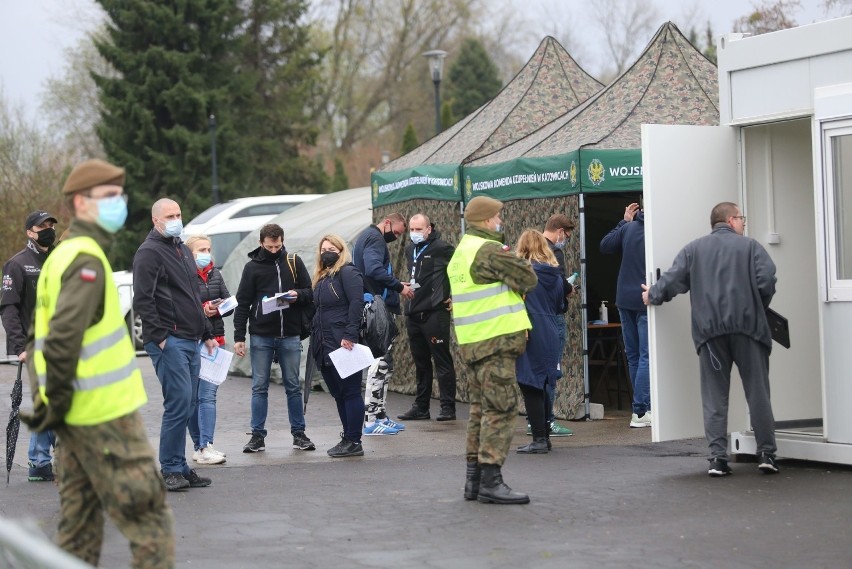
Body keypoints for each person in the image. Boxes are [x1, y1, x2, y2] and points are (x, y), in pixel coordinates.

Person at [21, 159, 174, 568]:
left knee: (78, 533)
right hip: (105, 419)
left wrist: (47, 403)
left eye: (119, 196)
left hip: (75, 421)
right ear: (80, 203)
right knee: (152, 527)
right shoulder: (86, 259)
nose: (118, 204)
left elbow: (40, 336)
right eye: (107, 197)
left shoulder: (62, 255)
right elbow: (63, 338)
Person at [642, 202, 779, 477]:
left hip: (711, 335)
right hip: (749, 330)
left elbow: (671, 280)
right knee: (758, 393)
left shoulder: (694, 250)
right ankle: (766, 454)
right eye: (741, 218)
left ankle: (717, 459)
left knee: (715, 396)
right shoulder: (751, 247)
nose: (743, 223)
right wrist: (757, 307)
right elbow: (767, 281)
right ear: (730, 220)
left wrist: (652, 295)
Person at [448, 196, 537, 505]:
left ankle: (473, 481)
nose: (501, 221)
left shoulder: (461, 251)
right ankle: (491, 481)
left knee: (479, 411)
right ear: (486, 220)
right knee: (500, 409)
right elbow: (528, 277)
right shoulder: (488, 250)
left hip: (473, 343)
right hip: (495, 342)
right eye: (498, 217)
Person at [134, 198, 218, 491]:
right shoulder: (148, 253)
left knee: (188, 403)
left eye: (179, 214)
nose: (176, 219)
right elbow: (143, 299)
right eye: (170, 215)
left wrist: (206, 332)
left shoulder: (181, 249)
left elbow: (193, 295)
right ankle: (170, 468)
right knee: (179, 402)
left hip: (191, 338)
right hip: (170, 341)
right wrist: (160, 337)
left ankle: (180, 466)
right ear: (156, 220)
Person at [233, 223, 316, 453]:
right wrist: (239, 336)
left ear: (282, 241)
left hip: (289, 333)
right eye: (269, 246)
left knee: (292, 385)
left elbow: (310, 292)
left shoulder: (293, 261)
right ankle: (257, 435)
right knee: (259, 386)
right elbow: (243, 303)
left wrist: (297, 294)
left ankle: (299, 433)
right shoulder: (252, 267)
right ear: (261, 243)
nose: (273, 250)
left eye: (277, 246)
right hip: (261, 334)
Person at [1, 210, 58, 481]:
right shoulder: (17, 264)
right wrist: (20, 346)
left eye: (50, 225)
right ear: (29, 232)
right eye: (42, 226)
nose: (48, 229)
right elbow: (9, 308)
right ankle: (39, 462)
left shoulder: (60, 260)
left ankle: (50, 457)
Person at [351, 212, 415, 435]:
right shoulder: (375, 238)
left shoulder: (368, 237)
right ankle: (370, 420)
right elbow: (373, 269)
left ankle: (379, 415)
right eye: (396, 232)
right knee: (379, 363)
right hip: (376, 309)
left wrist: (396, 283)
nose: (396, 237)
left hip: (376, 304)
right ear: (387, 223)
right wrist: (399, 288)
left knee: (385, 364)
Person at [397, 213, 458, 422]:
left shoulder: (442, 248)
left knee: (441, 359)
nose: (414, 233)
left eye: (418, 229)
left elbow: (461, 271)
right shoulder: (409, 250)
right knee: (421, 362)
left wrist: (453, 295)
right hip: (413, 312)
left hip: (435, 312)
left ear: (429, 229)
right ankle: (421, 406)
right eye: (411, 230)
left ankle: (448, 406)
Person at [311, 234, 367, 457]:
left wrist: (350, 334)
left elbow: (357, 302)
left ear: (341, 250)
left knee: (351, 391)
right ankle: (347, 436)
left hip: (343, 341)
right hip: (323, 343)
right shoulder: (321, 277)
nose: (327, 251)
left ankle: (354, 440)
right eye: (323, 248)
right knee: (338, 393)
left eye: (332, 248)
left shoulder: (348, 272)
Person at [514, 230, 567, 454]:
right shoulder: (555, 276)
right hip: (551, 331)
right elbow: (560, 307)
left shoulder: (522, 274)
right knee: (544, 383)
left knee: (530, 384)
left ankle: (538, 440)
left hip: (530, 331)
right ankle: (544, 436)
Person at [600, 202, 651, 428]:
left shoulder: (628, 228)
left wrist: (624, 221)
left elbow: (605, 245)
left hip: (623, 299)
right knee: (646, 356)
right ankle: (641, 411)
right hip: (644, 297)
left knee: (634, 356)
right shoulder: (656, 231)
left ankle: (640, 407)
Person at [186, 235, 232, 465]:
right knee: (193, 397)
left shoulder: (215, 273)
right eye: (201, 249)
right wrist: (203, 311)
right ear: (189, 253)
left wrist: (220, 308)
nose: (206, 253)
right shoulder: (185, 275)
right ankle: (200, 446)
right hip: (195, 341)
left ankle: (206, 444)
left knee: (208, 395)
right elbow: (184, 306)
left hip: (217, 339)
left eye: (208, 249)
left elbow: (227, 302)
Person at [540, 213, 577, 437]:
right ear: (560, 231)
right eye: (567, 235)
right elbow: (558, 284)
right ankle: (548, 420)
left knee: (538, 371)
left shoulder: (531, 248)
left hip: (535, 316)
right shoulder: (555, 252)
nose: (566, 239)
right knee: (551, 371)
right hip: (553, 316)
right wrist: (569, 288)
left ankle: (537, 420)